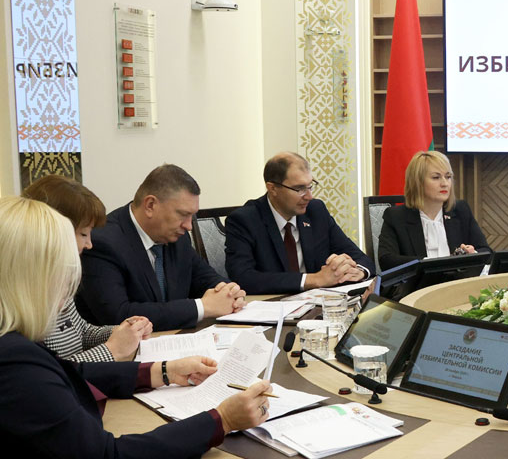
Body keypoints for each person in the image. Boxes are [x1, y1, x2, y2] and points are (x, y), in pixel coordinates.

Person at [0, 196, 271, 459]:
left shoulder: (12, 344)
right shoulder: (12, 360)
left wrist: (157, 371)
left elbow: (68, 374)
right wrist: (220, 420)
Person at [78, 164, 246, 331]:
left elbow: (205, 278)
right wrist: (202, 307)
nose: (189, 226)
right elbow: (118, 315)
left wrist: (230, 292)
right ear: (150, 205)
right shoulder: (103, 243)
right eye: (183, 214)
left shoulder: (176, 237)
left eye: (192, 216)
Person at [23, 175, 151, 361]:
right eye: (83, 234)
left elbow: (82, 332)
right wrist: (112, 350)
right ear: (54, 231)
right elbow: (49, 371)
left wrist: (122, 332)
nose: (89, 244)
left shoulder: (59, 275)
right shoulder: (22, 292)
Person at [224, 152, 374, 293]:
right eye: (299, 189)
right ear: (272, 188)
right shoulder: (245, 220)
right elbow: (243, 277)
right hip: (273, 306)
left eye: (310, 186)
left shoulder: (316, 211)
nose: (309, 196)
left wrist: (358, 271)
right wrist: (314, 279)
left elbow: (359, 257)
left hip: (317, 303)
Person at [377, 150, 490, 270]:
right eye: (436, 177)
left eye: (448, 177)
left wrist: (472, 254)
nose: (445, 183)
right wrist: (429, 264)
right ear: (418, 182)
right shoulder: (396, 216)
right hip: (420, 281)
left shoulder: (460, 210)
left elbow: (486, 252)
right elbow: (387, 260)